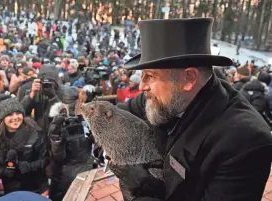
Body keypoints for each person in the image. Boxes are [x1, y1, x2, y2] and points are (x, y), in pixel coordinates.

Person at [109, 18, 272, 201]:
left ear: (189, 78)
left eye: (150, 76)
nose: (142, 86)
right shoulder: (164, 96)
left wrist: (139, 191)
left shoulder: (245, 142)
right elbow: (119, 115)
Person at [0, 98, 49, 195]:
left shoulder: (34, 132)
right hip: (11, 192)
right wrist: (4, 171)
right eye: (9, 114)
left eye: (18, 113)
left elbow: (47, 159)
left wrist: (30, 166)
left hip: (37, 189)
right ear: (2, 118)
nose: (15, 117)